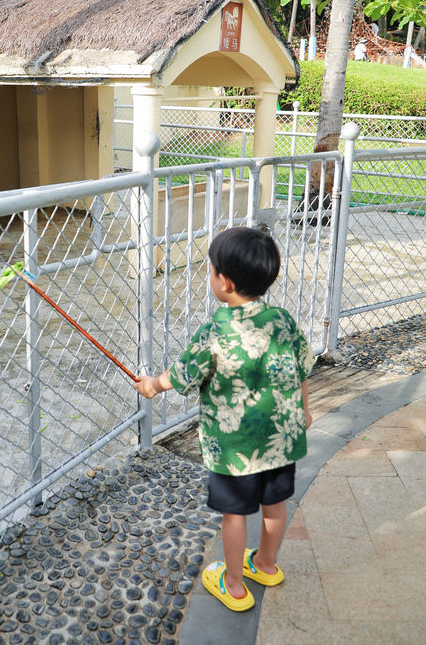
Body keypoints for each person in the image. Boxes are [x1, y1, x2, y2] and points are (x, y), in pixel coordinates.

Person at [134, 226, 314, 612]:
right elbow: (301, 368)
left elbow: (180, 375)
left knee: (235, 515)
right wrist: (305, 409)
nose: (209, 275)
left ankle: (233, 585)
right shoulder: (282, 319)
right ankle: (265, 564)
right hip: (281, 437)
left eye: (212, 269)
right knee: (275, 504)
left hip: (235, 448)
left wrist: (151, 385)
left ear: (226, 282)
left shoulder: (215, 330)